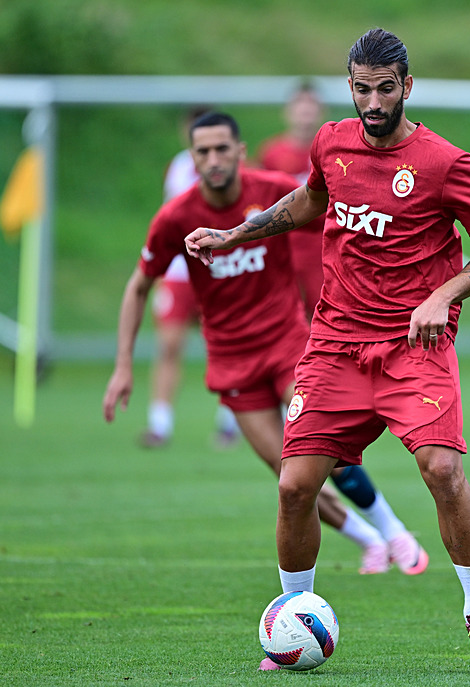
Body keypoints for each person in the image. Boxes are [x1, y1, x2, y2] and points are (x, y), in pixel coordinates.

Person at [185, 28, 470, 673]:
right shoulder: (331, 143)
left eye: (385, 89)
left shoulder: (446, 163)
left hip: (414, 345)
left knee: (442, 471)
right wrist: (234, 234)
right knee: (293, 486)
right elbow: (309, 200)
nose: (373, 103)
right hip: (335, 344)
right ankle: (292, 618)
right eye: (362, 89)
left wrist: (442, 295)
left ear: (407, 86)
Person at [102, 111, 428, 579]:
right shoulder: (177, 217)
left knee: (325, 455)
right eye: (203, 152)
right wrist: (122, 366)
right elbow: (138, 286)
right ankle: (369, 540)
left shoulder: (274, 191)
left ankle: (393, 530)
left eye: (221, 149)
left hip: (289, 349)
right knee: (290, 482)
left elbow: (345, 219)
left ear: (240, 151)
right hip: (233, 364)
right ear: (192, 159)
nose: (213, 159)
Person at [140, 106, 241, 449]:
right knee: (169, 345)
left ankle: (230, 421)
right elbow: (168, 219)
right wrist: (159, 268)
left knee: (228, 345)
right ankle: (160, 423)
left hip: (218, 268)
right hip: (180, 272)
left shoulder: (235, 170)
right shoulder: (179, 166)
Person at [256, 83, 326, 320]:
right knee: (283, 316)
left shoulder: (332, 150)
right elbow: (260, 202)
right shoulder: (272, 153)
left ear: (321, 110)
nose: (305, 111)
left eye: (311, 105)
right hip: (285, 246)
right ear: (288, 111)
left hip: (322, 248)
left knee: (322, 315)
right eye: (300, 105)